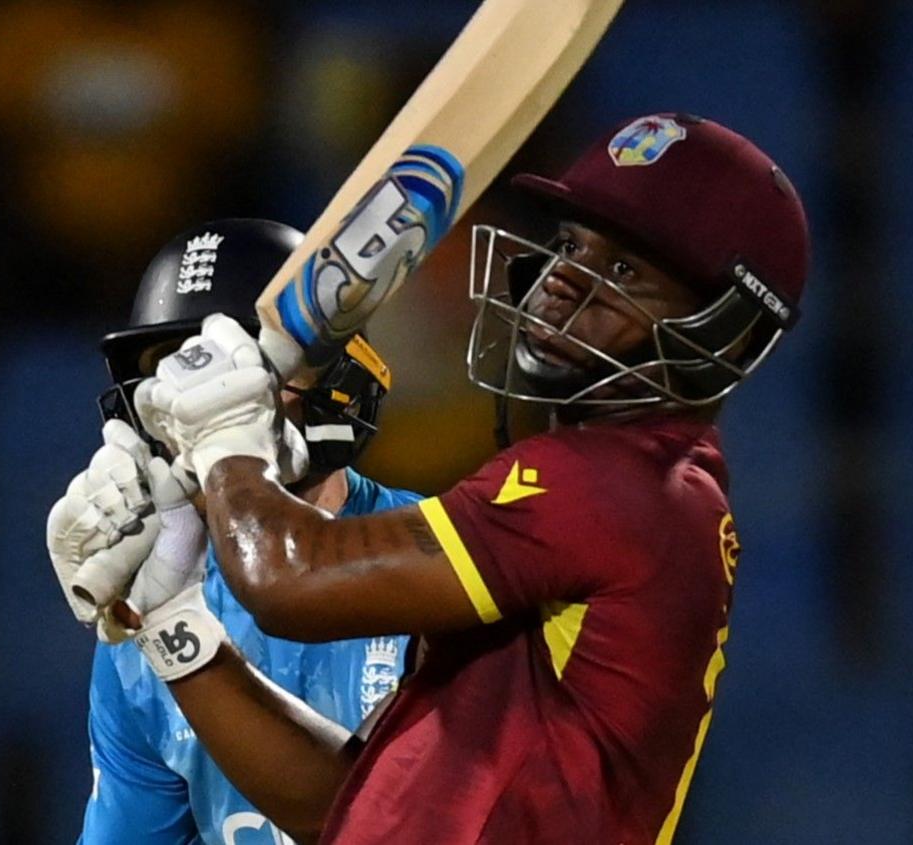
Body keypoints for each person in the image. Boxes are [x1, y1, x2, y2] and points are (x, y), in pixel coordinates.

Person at [108, 114, 810, 843]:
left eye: (625, 270)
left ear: (729, 328)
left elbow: (288, 578)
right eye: (570, 244)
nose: (563, 277)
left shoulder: (614, 487)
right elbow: (344, 808)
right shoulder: (617, 490)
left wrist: (226, 434)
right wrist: (172, 619)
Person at [44, 219, 420, 845]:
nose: (195, 404)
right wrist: (163, 623)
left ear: (336, 377)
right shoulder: (138, 626)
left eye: (229, 370)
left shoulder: (447, 560)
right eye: (174, 373)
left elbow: (389, 824)